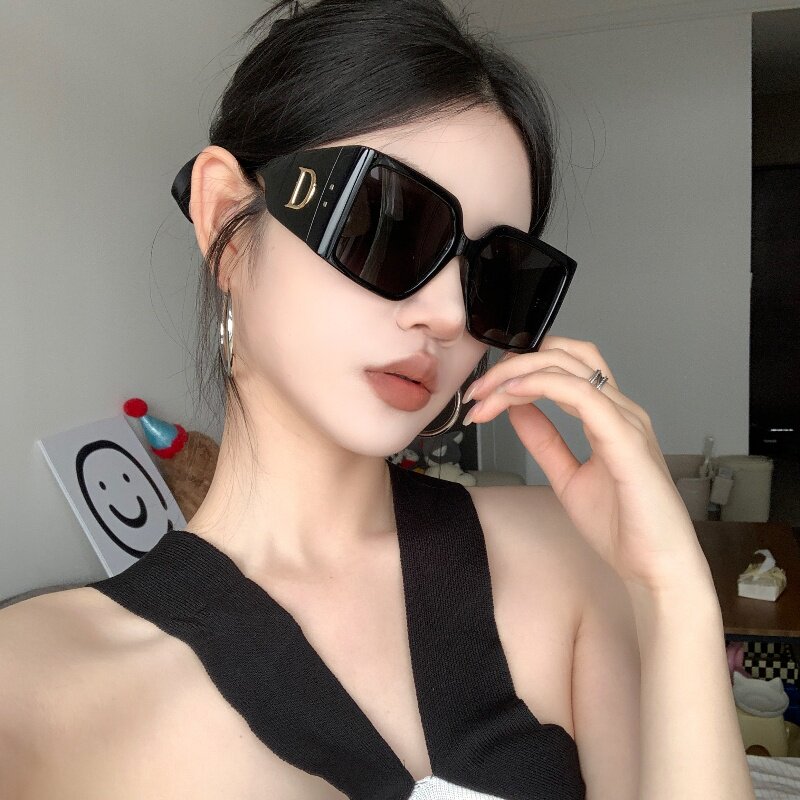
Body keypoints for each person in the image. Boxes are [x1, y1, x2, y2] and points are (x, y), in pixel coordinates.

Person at [0, 1, 755, 798]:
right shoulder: (34, 681)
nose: (451, 315)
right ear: (226, 217)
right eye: (390, 226)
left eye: (492, 276)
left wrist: (673, 591)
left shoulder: (561, 554)